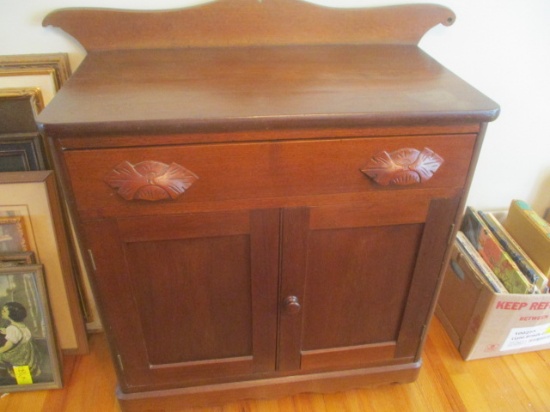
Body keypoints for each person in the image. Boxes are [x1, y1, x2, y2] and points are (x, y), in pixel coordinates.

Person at [0, 301, 41, 379]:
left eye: (4, 311)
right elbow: (20, 336)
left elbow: (7, 347)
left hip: (17, 356)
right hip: (28, 356)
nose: (2, 312)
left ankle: (4, 378)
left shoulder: (12, 328)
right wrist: (7, 332)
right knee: (24, 378)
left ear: (12, 314)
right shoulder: (23, 326)